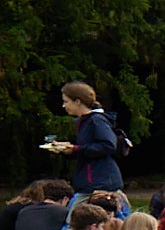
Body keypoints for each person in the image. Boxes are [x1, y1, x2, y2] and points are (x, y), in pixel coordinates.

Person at [38, 81, 123, 210]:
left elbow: (108, 145)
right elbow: (87, 149)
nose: (63, 106)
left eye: (66, 101)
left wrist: (76, 148)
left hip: (99, 183)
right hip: (89, 181)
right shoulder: (82, 121)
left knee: (73, 221)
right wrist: (68, 149)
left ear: (77, 101)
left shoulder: (97, 120)